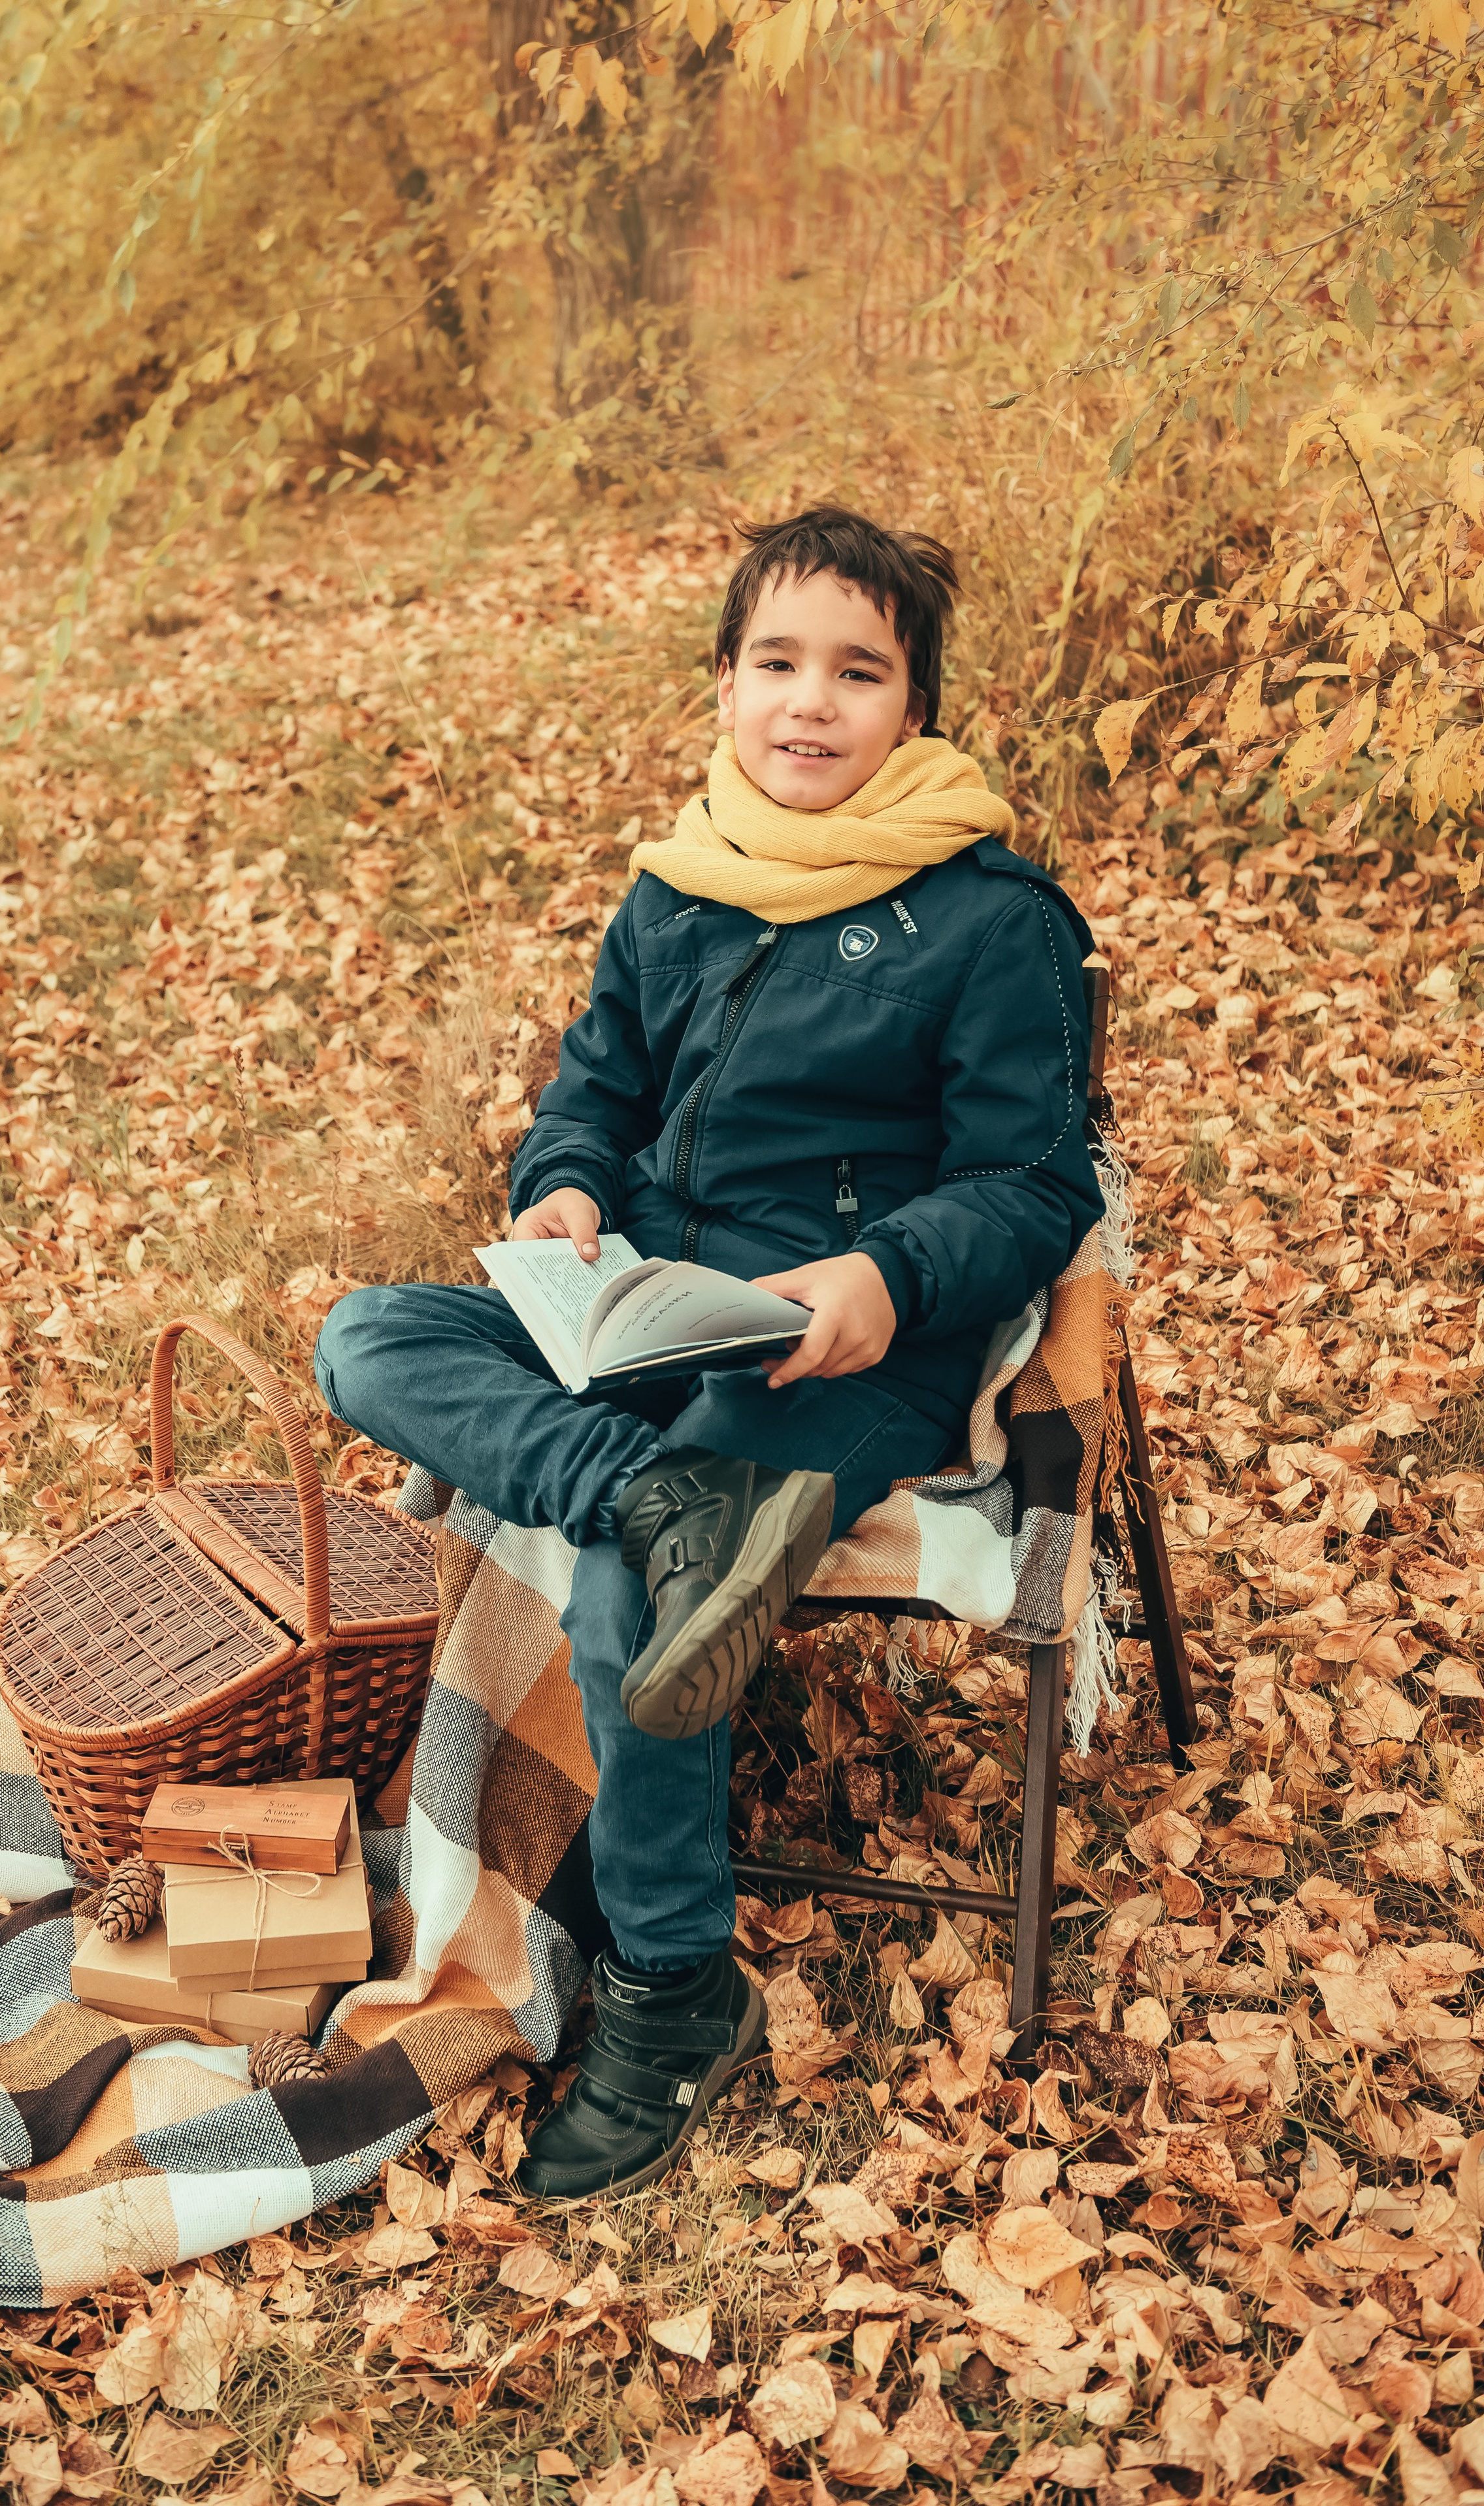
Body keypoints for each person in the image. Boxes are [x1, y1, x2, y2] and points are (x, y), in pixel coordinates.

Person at [314, 506, 1102, 2200]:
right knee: (366, 1332)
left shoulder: (990, 917)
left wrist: (891, 1271)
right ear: (727, 686)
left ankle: (675, 1988)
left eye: (857, 672)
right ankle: (657, 1490)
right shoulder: (679, 888)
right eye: (775, 663)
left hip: (834, 1349)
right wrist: (568, 1189)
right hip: (641, 1323)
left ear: (916, 707)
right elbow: (591, 1089)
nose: (808, 703)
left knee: (630, 1600)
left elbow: (1039, 1179)